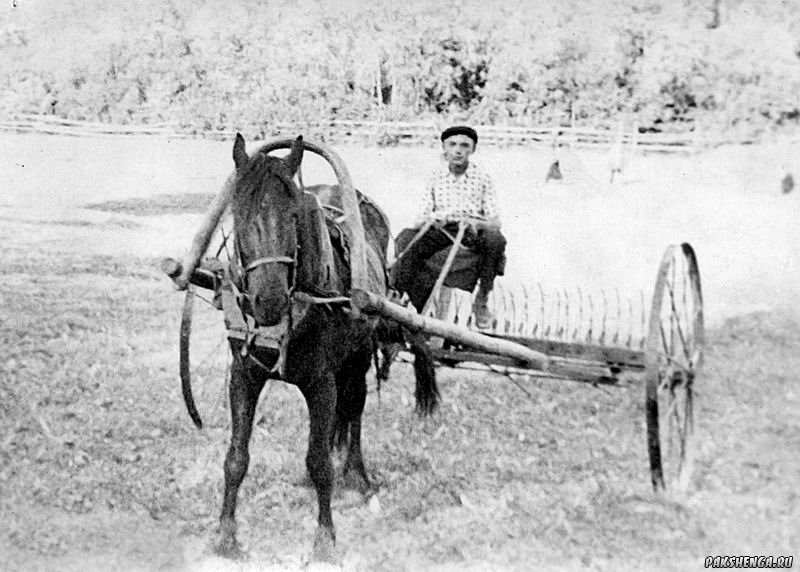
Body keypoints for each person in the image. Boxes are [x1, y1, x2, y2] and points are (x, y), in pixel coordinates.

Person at [391, 125, 506, 329]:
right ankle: (396, 296)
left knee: (496, 239)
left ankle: (482, 300)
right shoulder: (436, 177)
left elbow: (495, 221)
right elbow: (422, 216)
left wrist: (475, 223)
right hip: (442, 229)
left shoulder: (482, 178)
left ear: (473, 150)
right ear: (444, 148)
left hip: (472, 232)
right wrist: (432, 220)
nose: (458, 150)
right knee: (406, 239)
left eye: (464, 145)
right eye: (452, 145)